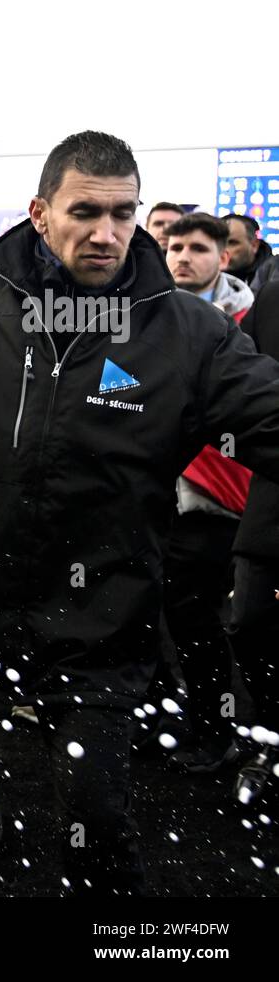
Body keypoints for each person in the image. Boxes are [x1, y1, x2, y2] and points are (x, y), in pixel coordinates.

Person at [0, 131, 279, 896]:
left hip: (95, 628)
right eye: (87, 211)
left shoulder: (184, 333)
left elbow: (270, 416)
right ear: (41, 213)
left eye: (124, 214)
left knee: (95, 831)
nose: (108, 233)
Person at [157, 213, 253, 773]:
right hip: (161, 495)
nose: (184, 256)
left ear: (224, 257)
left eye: (198, 247)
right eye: (175, 247)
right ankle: (190, 719)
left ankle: (220, 732)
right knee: (169, 616)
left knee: (200, 622)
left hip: (222, 498)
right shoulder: (145, 319)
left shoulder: (246, 321)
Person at [229, 278, 279, 804]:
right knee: (251, 624)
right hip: (271, 503)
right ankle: (270, 737)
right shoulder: (275, 297)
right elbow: (242, 401)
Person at [223, 213, 279, 293]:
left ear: (254, 245)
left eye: (232, 243)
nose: (224, 250)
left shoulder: (272, 273)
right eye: (220, 243)